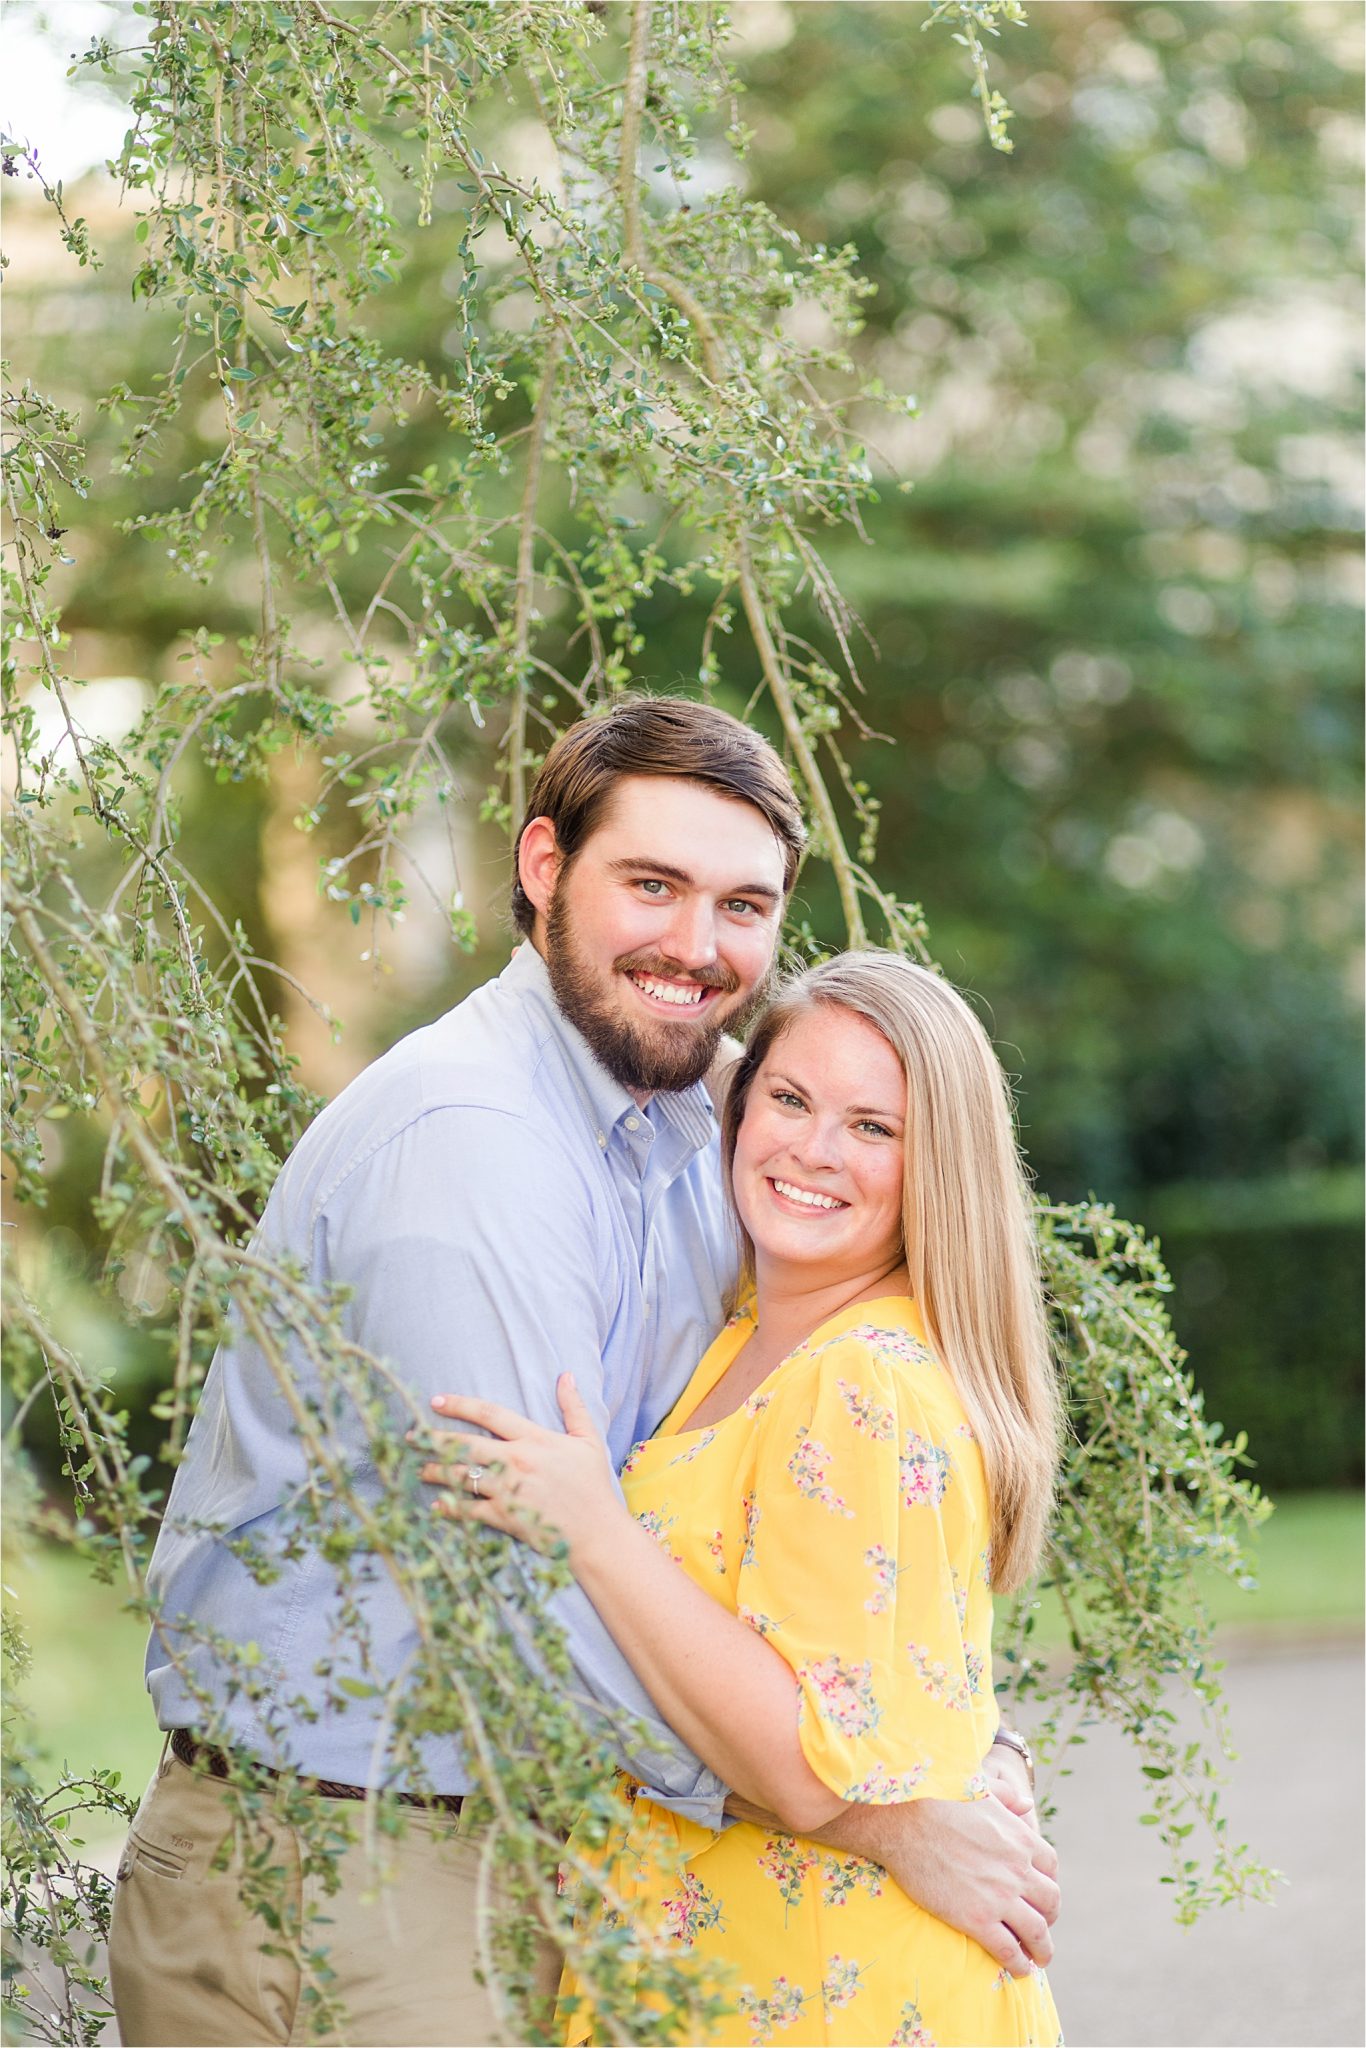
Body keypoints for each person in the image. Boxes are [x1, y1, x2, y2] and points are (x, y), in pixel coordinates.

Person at [109, 697, 1057, 2047]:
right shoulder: (473, 1151)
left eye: (741, 905)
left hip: (551, 1858)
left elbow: (844, 1530)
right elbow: (530, 1603)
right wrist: (879, 1812)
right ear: (543, 868)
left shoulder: (706, 1126)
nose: (694, 945)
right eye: (652, 886)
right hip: (358, 1868)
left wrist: (955, 1743)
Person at [420, 950, 1064, 2046]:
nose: (811, 1149)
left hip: (828, 1984)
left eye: (874, 1127)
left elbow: (804, 1761)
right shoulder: (750, 1335)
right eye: (790, 1098)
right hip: (716, 1959)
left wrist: (594, 1528)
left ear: (937, 1167)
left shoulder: (862, 1376)